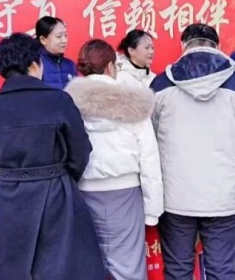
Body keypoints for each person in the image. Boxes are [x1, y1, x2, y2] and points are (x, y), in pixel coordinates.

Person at [0, 32, 105, 280]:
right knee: (64, 266)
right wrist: (64, 177)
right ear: (35, 64)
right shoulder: (58, 100)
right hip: (56, 192)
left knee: (18, 268)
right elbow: (80, 150)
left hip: (9, 196)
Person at [151, 23, 235, 280]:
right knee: (222, 270)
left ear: (183, 46)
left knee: (178, 269)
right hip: (226, 196)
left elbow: (151, 138)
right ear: (217, 46)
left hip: (176, 195)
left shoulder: (161, 84)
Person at [67, 39, 163, 280]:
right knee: (129, 268)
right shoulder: (134, 103)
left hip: (84, 192)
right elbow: (149, 158)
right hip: (125, 192)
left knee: (88, 266)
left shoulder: (68, 103)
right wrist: (152, 210)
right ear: (110, 66)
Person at [36, 16, 77, 88]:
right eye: (59, 36)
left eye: (66, 35)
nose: (64, 40)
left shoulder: (70, 65)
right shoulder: (36, 64)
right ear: (43, 40)